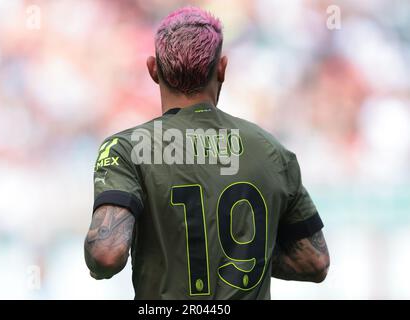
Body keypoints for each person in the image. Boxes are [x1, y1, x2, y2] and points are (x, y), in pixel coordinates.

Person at [84, 6, 329, 299]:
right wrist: (238, 256)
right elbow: (315, 261)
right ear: (222, 68)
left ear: (153, 69)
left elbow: (107, 255)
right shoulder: (270, 150)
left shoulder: (128, 148)